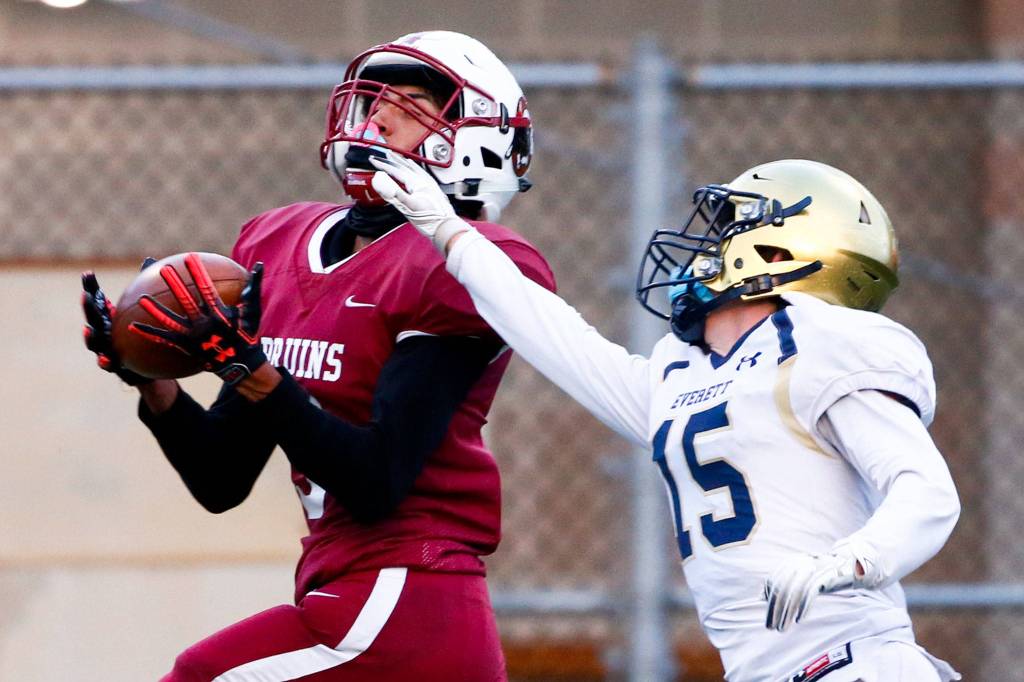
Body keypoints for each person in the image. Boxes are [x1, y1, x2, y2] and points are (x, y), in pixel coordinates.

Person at [369, 154, 962, 681]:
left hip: (854, 659)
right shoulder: (684, 374)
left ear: (780, 254)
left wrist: (850, 561)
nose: (704, 248)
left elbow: (928, 494)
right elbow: (559, 340)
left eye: (729, 230)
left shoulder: (822, 342)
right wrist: (451, 234)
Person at [80, 30, 554, 681]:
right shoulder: (280, 242)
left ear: (478, 138)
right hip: (351, 590)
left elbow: (377, 478)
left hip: (404, 595)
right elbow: (221, 477)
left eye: (411, 105)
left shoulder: (462, 263)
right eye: (376, 100)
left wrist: (248, 368)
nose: (378, 116)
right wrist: (149, 379)